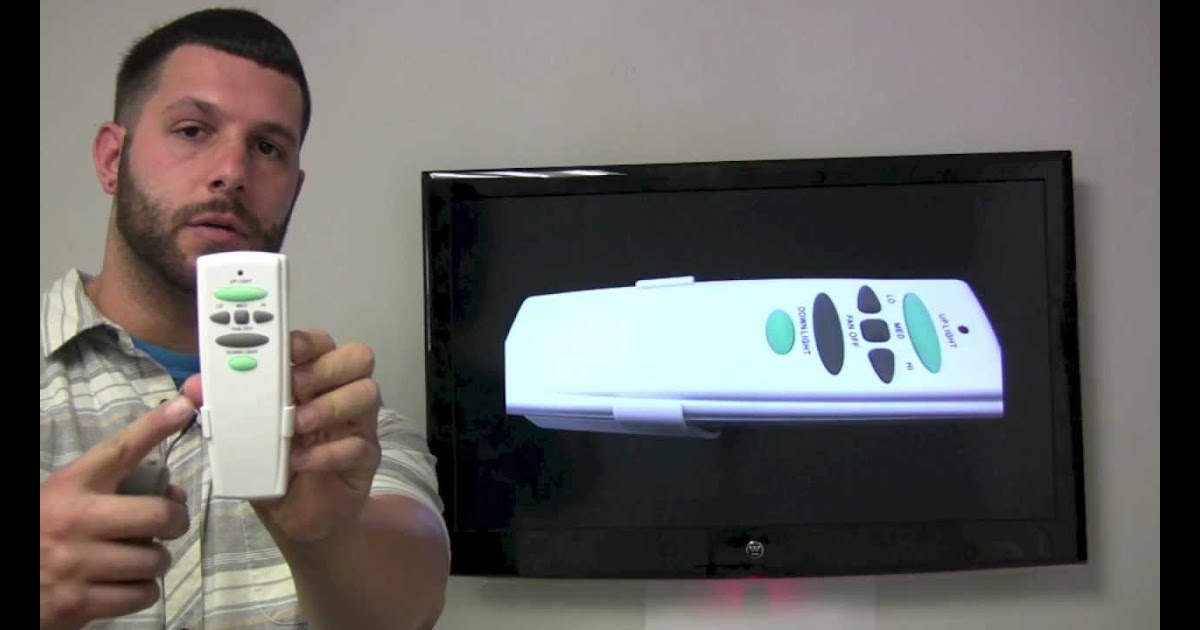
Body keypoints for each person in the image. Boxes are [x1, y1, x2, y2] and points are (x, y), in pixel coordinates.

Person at [40, 7, 450, 629]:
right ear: (111, 158)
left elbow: (408, 606)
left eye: (267, 147)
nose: (232, 172)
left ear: (294, 190)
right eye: (192, 130)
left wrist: (323, 537)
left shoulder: (341, 428)